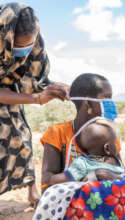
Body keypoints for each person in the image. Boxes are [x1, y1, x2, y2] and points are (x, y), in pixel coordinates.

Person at [0, 2, 68, 205]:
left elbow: (38, 79)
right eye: (18, 46)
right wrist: (35, 99)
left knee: (22, 137)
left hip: (8, 89)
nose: (23, 51)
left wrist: (58, 88)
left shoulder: (35, 44)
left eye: (27, 45)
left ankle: (32, 191)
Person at [41, 73, 121, 192]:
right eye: (106, 98)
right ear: (88, 104)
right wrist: (89, 177)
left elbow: (118, 169)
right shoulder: (58, 132)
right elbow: (47, 178)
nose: (111, 103)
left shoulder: (108, 133)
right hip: (65, 197)